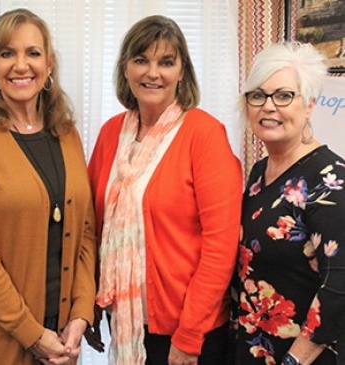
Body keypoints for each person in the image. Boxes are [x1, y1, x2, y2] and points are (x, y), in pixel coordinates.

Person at [86, 15, 243, 365]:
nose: (152, 73)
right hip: (125, 320)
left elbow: (221, 245)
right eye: (141, 60)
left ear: (182, 71)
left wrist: (189, 336)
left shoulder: (204, 135)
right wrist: (89, 305)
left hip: (188, 330)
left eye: (166, 62)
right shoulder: (111, 133)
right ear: (126, 69)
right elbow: (91, 227)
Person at [0, 8, 96, 365]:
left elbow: (85, 231)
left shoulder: (66, 133)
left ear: (50, 63)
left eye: (33, 52)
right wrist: (30, 332)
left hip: (61, 338)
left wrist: (80, 314)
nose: (20, 65)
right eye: (7, 53)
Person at [233, 42, 345, 365]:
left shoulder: (330, 179)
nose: (268, 106)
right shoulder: (258, 173)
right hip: (254, 349)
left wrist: (294, 361)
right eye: (258, 95)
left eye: (283, 96)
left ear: (308, 105)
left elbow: (339, 286)